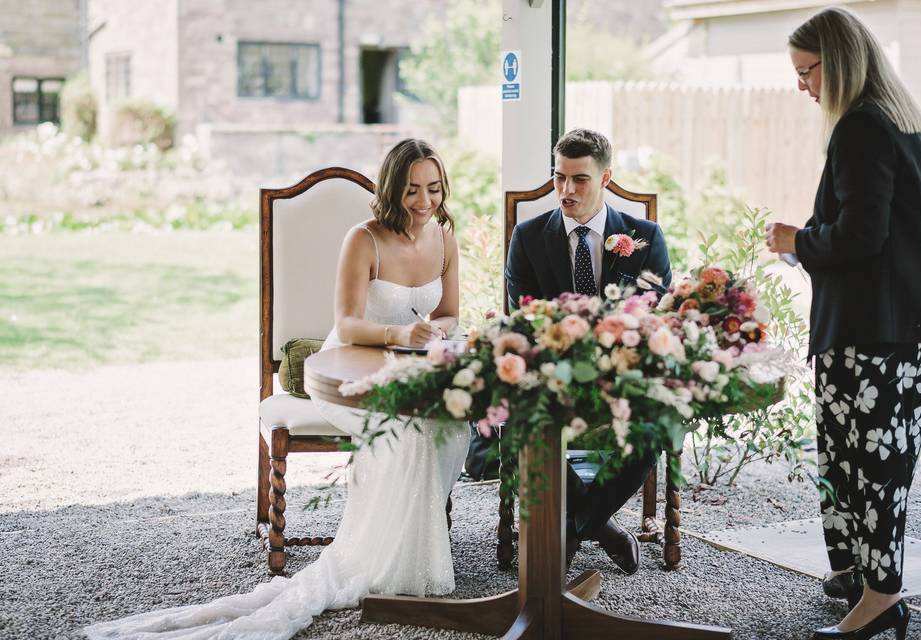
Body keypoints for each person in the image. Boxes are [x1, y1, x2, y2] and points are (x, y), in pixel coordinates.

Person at [84, 139, 470, 639]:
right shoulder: (364, 239)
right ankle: (391, 566)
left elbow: (449, 313)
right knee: (408, 432)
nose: (424, 201)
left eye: (434, 189)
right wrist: (398, 334)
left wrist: (435, 333)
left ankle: (411, 550)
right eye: (413, 190)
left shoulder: (444, 237)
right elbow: (349, 324)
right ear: (392, 189)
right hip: (350, 376)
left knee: (449, 425)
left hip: (414, 369)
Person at [765, 8, 921, 640]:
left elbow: (861, 236)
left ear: (838, 62)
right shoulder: (904, 121)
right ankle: (858, 578)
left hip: (874, 329)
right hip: (907, 323)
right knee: (870, 460)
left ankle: (880, 597)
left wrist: (798, 238)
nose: (802, 85)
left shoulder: (861, 127)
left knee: (866, 464)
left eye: (807, 71)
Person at [502, 128, 673, 575]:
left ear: (606, 177)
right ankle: (600, 527)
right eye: (559, 177)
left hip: (624, 377)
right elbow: (523, 319)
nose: (566, 190)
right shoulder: (528, 236)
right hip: (552, 374)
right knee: (532, 416)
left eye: (579, 179)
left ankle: (572, 531)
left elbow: (653, 320)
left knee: (653, 422)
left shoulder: (644, 237)